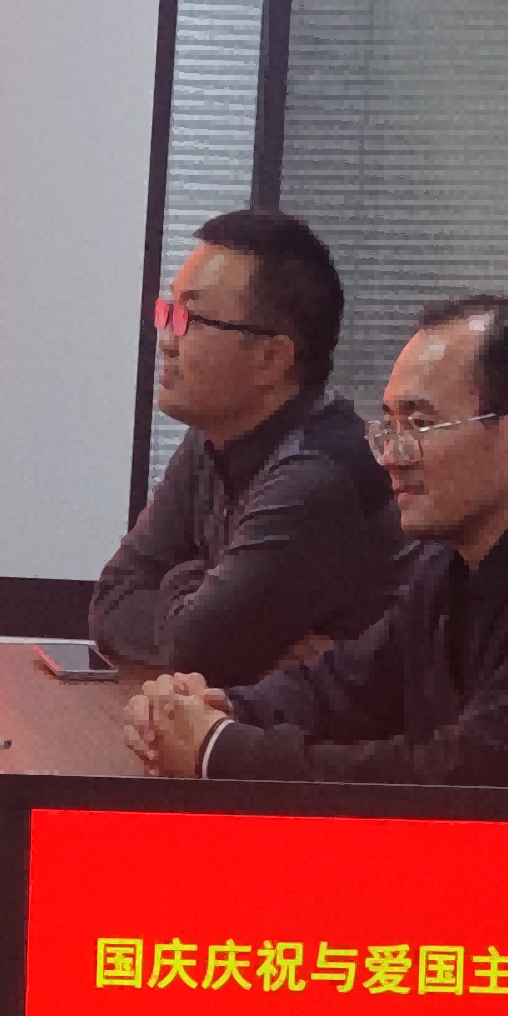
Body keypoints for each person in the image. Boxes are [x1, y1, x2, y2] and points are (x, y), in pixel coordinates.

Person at [124, 297, 508, 790]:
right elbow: (348, 687)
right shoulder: (452, 561)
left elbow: (456, 783)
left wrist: (219, 750)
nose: (391, 455)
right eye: (387, 425)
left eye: (419, 424)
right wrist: (218, 707)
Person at [86, 208, 405, 683]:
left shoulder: (318, 473)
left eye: (190, 318)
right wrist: (201, 590)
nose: (167, 339)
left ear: (270, 358)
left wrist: (182, 584)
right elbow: (112, 601)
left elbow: (200, 647)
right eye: (169, 311)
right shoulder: (213, 436)